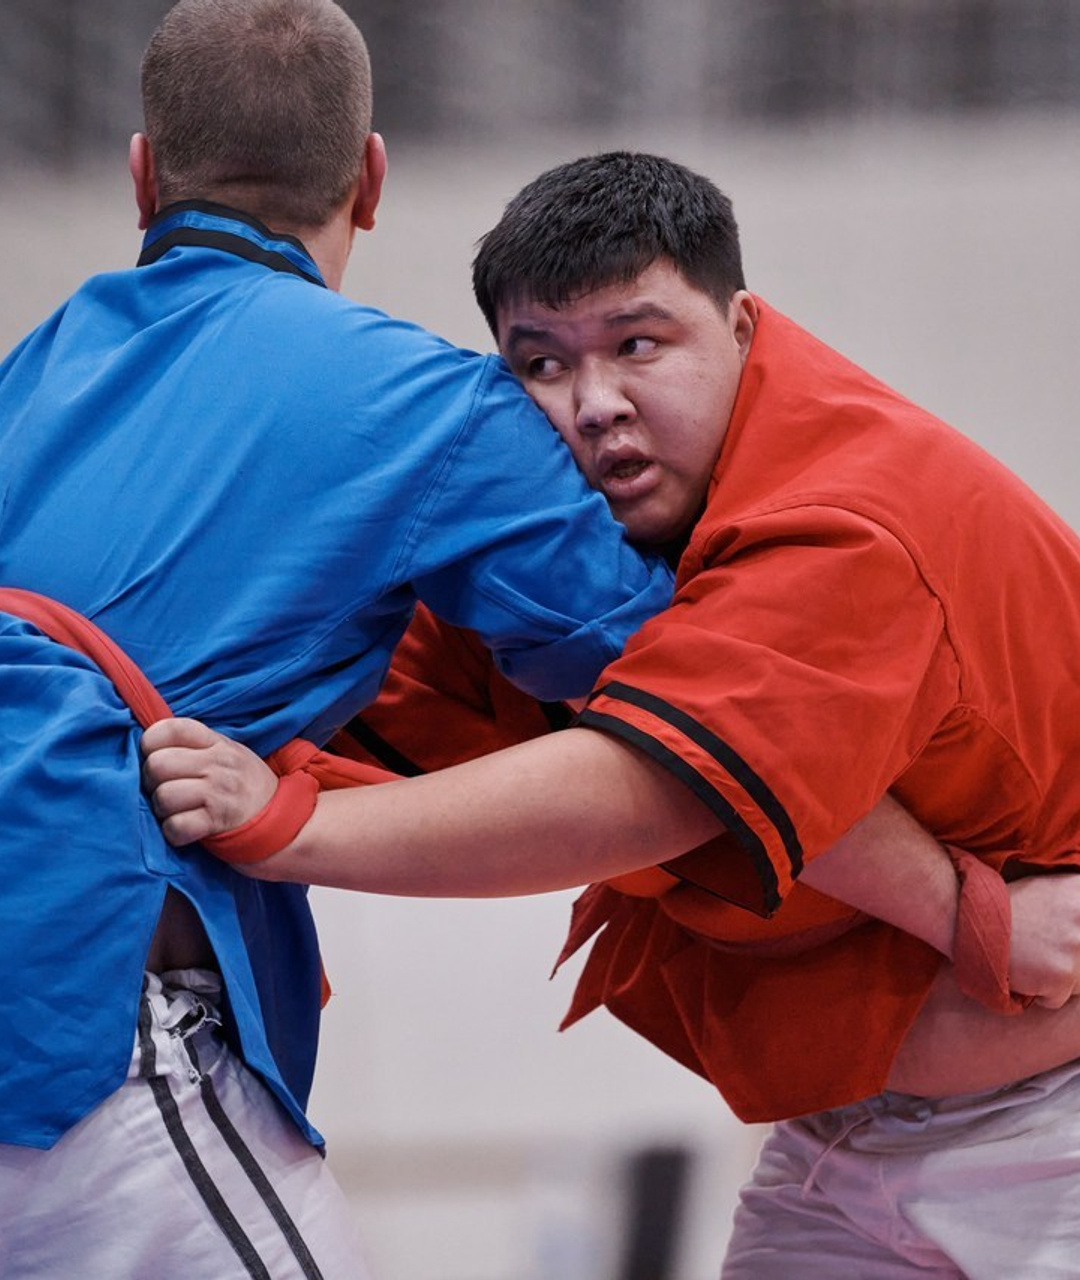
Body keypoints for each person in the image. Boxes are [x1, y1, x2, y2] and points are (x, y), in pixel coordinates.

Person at [142, 151, 1080, 1275]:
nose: (594, 405)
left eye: (639, 343)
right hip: (859, 1120)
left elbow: (654, 789)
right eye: (540, 362)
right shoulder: (553, 540)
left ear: (740, 326)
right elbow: (364, 666)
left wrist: (288, 822)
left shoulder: (848, 520)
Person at [0, 8, 688, 1272]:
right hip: (70, 1020)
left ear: (143, 173)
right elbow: (690, 693)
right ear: (369, 179)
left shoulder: (22, 380)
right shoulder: (427, 404)